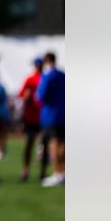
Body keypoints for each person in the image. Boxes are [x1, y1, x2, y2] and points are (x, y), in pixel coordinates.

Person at [17, 57, 48, 182]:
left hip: (43, 117)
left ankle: (42, 172)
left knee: (44, 145)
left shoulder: (45, 78)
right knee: (30, 144)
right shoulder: (30, 79)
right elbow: (22, 95)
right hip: (31, 116)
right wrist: (26, 96)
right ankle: (25, 170)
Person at [37, 52, 65, 187]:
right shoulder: (63, 75)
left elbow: (41, 96)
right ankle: (63, 171)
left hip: (51, 115)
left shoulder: (47, 76)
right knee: (63, 144)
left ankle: (57, 173)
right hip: (64, 114)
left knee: (53, 145)